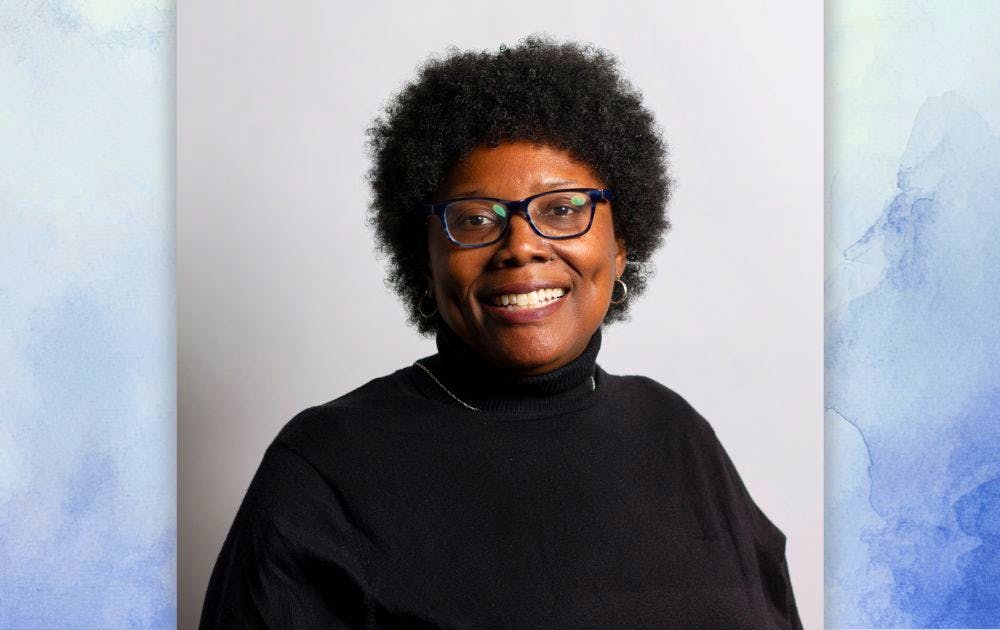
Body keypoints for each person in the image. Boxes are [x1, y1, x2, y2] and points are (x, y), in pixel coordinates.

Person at [199, 37, 803, 629]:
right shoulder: (328, 465)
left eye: (563, 209)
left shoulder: (675, 431)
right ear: (426, 263)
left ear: (620, 248)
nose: (520, 247)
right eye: (475, 219)